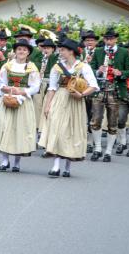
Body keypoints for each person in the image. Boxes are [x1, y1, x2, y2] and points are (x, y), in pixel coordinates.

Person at [39, 39, 99, 177]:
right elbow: (52, 88)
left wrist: (82, 94)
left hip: (75, 101)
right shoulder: (57, 67)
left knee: (71, 131)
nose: (60, 52)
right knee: (57, 129)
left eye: (63, 50)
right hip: (60, 98)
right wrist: (47, 105)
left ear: (71, 51)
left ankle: (67, 167)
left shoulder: (83, 67)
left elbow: (94, 85)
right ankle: (56, 165)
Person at [0, 39, 40, 172]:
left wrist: (23, 91)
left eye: (24, 50)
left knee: (20, 130)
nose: (21, 51)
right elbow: (1, 82)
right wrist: (7, 90)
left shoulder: (32, 67)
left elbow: (36, 86)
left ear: (28, 52)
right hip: (8, 99)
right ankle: (4, 160)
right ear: (15, 51)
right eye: (19, 49)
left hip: (23, 102)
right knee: (4, 127)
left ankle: (17, 162)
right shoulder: (7, 66)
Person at [89, 28, 129, 162]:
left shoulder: (123, 52)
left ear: (116, 39)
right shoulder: (99, 51)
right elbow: (91, 69)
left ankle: (108, 152)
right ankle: (98, 149)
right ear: (104, 39)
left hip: (115, 90)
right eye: (107, 38)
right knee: (95, 121)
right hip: (99, 89)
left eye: (111, 38)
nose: (109, 41)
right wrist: (98, 71)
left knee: (112, 123)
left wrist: (121, 73)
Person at [81, 30, 99, 153]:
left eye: (92, 40)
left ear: (96, 42)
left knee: (95, 116)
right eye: (87, 40)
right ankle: (87, 141)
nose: (89, 42)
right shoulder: (80, 53)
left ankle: (93, 142)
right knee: (85, 115)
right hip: (82, 88)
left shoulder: (101, 52)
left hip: (96, 88)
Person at [34, 38, 57, 135]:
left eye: (48, 48)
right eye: (44, 48)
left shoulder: (55, 58)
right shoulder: (40, 57)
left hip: (49, 84)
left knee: (47, 107)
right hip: (39, 83)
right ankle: (37, 128)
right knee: (37, 106)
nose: (45, 50)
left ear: (53, 49)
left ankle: (45, 131)